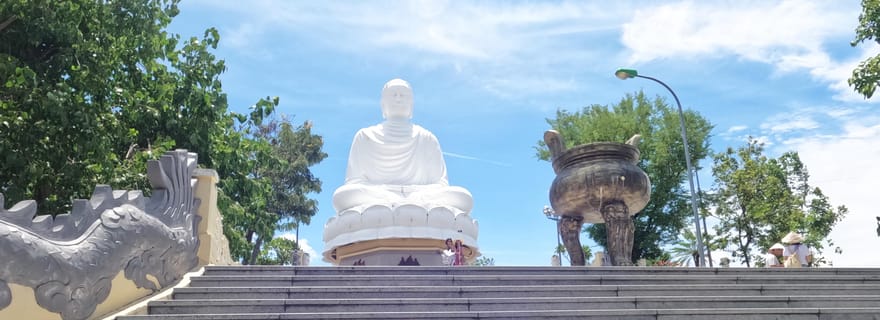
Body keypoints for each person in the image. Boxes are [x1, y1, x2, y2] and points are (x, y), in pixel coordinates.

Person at [331, 79, 473, 213]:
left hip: (420, 195)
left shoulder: (426, 138)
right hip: (378, 194)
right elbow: (354, 182)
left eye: (403, 95)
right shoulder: (365, 136)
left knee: (462, 197)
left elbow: (440, 184)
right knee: (343, 196)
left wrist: (416, 195)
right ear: (383, 104)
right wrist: (384, 194)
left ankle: (401, 203)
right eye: (393, 95)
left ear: (411, 104)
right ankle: (401, 203)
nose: (398, 99)